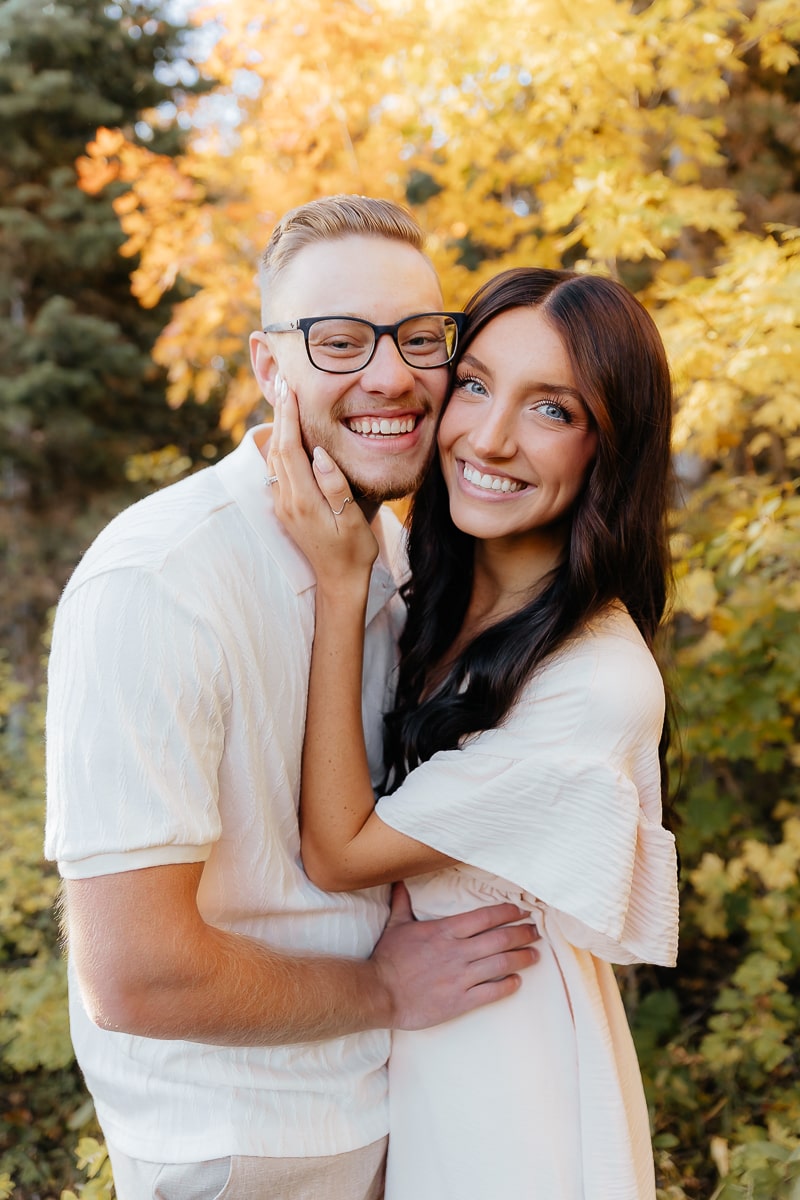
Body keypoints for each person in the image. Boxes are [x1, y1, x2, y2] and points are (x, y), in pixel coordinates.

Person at [44, 196, 540, 1200]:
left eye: (418, 337)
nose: (392, 374)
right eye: (341, 341)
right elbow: (134, 972)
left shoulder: (392, 557)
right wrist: (382, 986)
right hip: (242, 1152)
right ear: (271, 370)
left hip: (391, 1113)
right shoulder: (158, 578)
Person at [269, 266, 681, 1200]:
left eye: (553, 410)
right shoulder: (431, 580)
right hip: (416, 1059)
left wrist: (338, 587)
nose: (488, 439)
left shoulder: (598, 679)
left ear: (608, 450)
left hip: (511, 1074)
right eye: (477, 385)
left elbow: (340, 851)